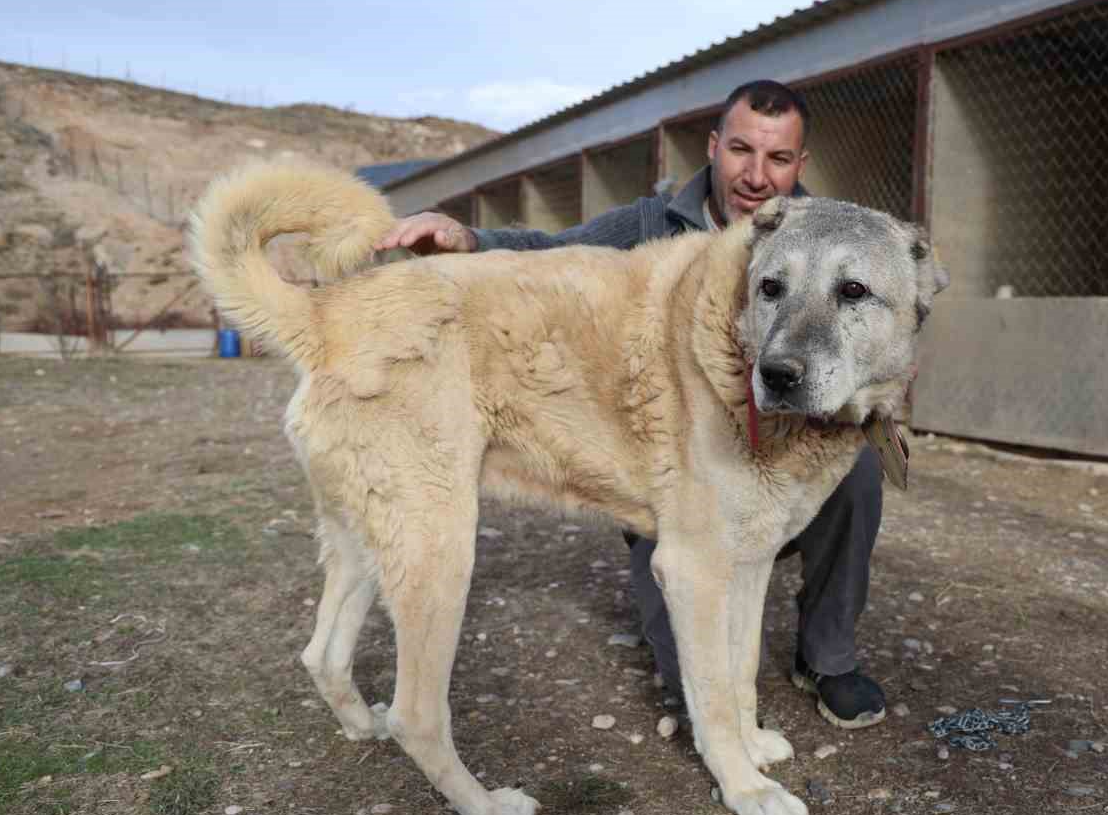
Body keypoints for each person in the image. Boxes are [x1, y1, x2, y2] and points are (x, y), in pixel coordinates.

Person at [374, 79, 889, 730]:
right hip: (672, 482)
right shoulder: (650, 225)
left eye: (778, 159)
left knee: (860, 473)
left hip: (778, 456)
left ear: (800, 165)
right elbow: (555, 255)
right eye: (740, 151)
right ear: (713, 148)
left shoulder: (825, 234)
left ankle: (829, 657)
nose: (757, 176)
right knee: (692, 681)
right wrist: (470, 241)